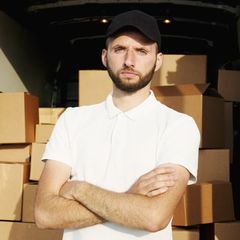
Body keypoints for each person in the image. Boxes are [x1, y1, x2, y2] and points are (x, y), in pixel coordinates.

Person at [35, 10, 200, 240]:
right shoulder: (72, 120)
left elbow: (153, 217)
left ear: (158, 60)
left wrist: (78, 189)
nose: (129, 61)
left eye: (141, 50)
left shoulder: (178, 126)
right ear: (105, 56)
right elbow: (45, 214)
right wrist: (130, 197)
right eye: (119, 49)